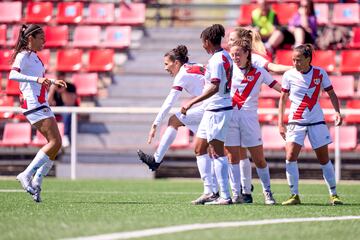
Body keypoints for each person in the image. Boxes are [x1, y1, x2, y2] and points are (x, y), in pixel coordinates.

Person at [137, 45, 219, 202]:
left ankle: (156, 160)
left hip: (212, 106)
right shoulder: (194, 65)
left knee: (175, 121)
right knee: (212, 148)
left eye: (167, 64)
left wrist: (155, 123)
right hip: (214, 105)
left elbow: (169, 102)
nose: (165, 68)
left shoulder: (182, 75)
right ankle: (225, 189)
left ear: (176, 63)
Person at [227, 28, 291, 203]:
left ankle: (267, 192)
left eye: (238, 54)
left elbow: (280, 89)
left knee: (259, 158)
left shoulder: (259, 71)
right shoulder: (228, 70)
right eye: (232, 54)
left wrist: (297, 94)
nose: (235, 57)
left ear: (248, 53)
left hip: (249, 119)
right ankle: (238, 193)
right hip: (231, 118)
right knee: (233, 157)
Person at [278, 44, 343, 206]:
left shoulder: (320, 73)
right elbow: (283, 99)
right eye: (293, 60)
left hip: (316, 121)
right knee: (290, 156)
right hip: (295, 120)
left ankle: (333, 194)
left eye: (298, 60)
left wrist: (337, 112)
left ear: (308, 59)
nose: (295, 63)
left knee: (323, 159)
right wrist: (280, 122)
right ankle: (294, 195)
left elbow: (332, 93)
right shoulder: (289, 75)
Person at [9, 24, 67, 203]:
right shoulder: (23, 56)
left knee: (57, 144)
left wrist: (51, 81)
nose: (45, 41)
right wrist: (38, 79)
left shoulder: (35, 57)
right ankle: (27, 175)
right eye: (41, 38)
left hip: (41, 103)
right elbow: (12, 75)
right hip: (33, 104)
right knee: (55, 142)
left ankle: (37, 183)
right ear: (30, 39)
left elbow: (38, 80)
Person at [181, 24, 233, 205]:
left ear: (208, 41)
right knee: (199, 148)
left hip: (217, 109)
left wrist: (191, 101)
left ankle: (225, 196)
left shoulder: (217, 60)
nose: (202, 46)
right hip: (212, 109)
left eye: (203, 42)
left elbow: (215, 86)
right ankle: (209, 191)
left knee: (217, 153)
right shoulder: (225, 56)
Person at [48, 82, 78, 147]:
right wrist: (52, 91)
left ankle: (65, 135)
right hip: (54, 110)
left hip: (65, 110)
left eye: (61, 74)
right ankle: (44, 136)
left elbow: (69, 103)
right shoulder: (51, 86)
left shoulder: (70, 86)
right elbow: (47, 103)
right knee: (43, 112)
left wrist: (63, 91)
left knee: (66, 112)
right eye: (57, 75)